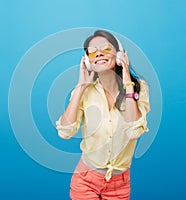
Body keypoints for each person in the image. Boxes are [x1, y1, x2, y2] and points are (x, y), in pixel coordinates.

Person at [56, 30, 150, 200]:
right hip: (85, 180)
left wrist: (128, 82)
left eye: (106, 48)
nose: (98, 53)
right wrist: (80, 87)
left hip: (119, 184)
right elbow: (64, 132)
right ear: (87, 61)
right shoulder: (85, 92)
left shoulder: (139, 88)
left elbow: (134, 131)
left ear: (119, 55)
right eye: (92, 51)